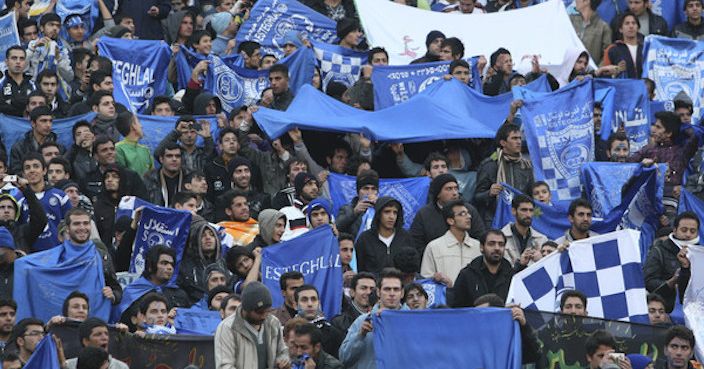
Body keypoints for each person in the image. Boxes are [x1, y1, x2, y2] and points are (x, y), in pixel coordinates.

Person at [339, 268, 406, 369]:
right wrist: (360, 335)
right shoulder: (362, 321)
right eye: (387, 289)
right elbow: (343, 358)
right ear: (378, 292)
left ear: (402, 293)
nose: (392, 293)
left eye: (396, 289)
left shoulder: (414, 322)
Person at [213, 281, 290, 369]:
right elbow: (224, 366)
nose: (264, 316)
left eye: (267, 311)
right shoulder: (227, 328)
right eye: (259, 312)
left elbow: (283, 350)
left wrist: (284, 359)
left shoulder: (273, 322)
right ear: (246, 309)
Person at [410, 173, 485, 255]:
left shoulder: (469, 210)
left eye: (456, 188)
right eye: (449, 189)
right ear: (438, 194)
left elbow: (480, 236)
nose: (455, 193)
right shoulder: (424, 214)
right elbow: (416, 243)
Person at [644, 212, 699, 312]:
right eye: (684, 230)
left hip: (696, 313)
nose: (688, 234)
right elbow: (648, 282)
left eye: (692, 231)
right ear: (675, 230)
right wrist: (671, 282)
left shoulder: (700, 254)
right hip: (666, 312)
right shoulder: (659, 251)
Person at [420, 199, 480, 285]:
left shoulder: (477, 247)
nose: (469, 217)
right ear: (450, 221)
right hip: (444, 297)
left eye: (468, 213)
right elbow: (426, 280)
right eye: (462, 214)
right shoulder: (434, 247)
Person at [452, 229, 514, 307]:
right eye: (491, 244)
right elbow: (457, 309)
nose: (497, 248)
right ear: (481, 247)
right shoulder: (466, 275)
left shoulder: (513, 276)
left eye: (501, 244)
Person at [355, 197, 412, 274]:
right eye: (387, 212)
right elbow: (359, 268)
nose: (391, 217)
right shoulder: (365, 238)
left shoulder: (405, 238)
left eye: (395, 212)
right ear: (378, 214)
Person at [293, 285, 345, 359]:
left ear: (319, 303)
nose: (310, 304)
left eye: (313, 299)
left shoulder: (333, 333)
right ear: (295, 305)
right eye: (304, 300)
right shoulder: (287, 331)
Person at [10, 107, 62, 175]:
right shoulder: (19, 147)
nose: (48, 125)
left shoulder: (58, 147)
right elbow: (16, 171)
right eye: (43, 121)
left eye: (50, 121)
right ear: (33, 123)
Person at [501, 195, 547, 269]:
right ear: (513, 211)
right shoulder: (501, 238)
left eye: (531, 210)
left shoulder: (542, 239)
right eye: (524, 210)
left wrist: (541, 260)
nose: (528, 214)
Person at [65, 318, 129, 369]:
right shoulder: (69, 366)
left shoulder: (121, 367)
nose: (104, 338)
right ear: (86, 341)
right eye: (98, 334)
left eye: (106, 334)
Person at [335, 170, 379, 237]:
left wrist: (379, 207)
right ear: (358, 191)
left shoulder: (382, 208)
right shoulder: (347, 209)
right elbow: (337, 227)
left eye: (373, 189)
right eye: (366, 188)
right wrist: (354, 212)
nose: (370, 192)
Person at [143, 142, 187, 206]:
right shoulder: (149, 178)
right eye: (169, 156)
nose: (174, 159)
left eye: (177, 156)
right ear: (161, 159)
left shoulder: (189, 177)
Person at [570, 0, 612, 65]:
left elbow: (606, 55)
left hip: (590, 73)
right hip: (568, 72)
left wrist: (596, 72)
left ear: (587, 1)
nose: (576, 1)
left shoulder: (603, 27)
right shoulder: (571, 20)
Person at [604, 12, 644, 79]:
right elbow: (605, 75)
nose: (631, 26)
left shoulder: (645, 48)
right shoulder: (612, 49)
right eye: (627, 23)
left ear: (638, 28)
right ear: (620, 29)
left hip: (643, 88)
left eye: (633, 23)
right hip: (622, 88)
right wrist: (615, 72)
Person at [114, 112, 152, 177]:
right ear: (133, 125)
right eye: (138, 122)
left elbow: (152, 174)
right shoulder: (118, 149)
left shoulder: (145, 150)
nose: (141, 126)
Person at [0, 46, 34, 118]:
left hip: (29, 127)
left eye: (21, 59)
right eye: (14, 58)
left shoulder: (34, 85)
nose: (18, 62)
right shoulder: (1, 84)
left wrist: (11, 102)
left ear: (25, 62)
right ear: (6, 62)